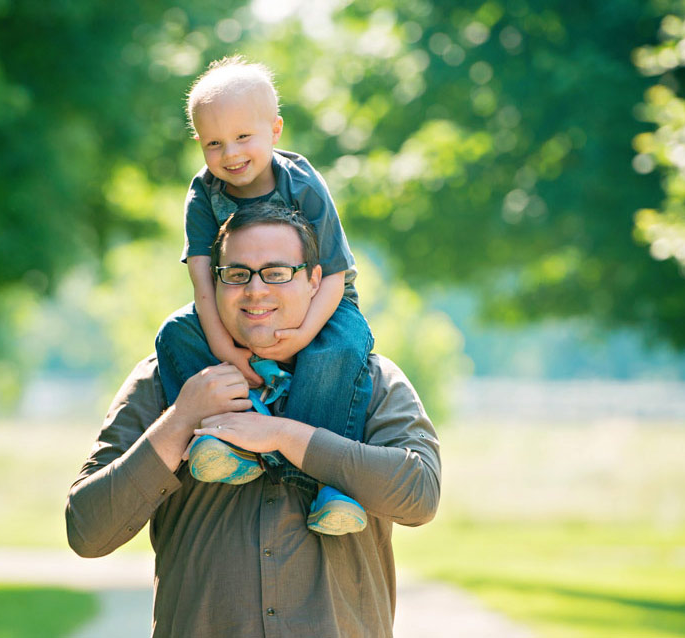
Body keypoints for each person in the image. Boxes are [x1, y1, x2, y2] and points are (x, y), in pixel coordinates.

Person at [66, 205, 441, 638]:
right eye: (237, 273)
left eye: (277, 272)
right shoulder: (165, 377)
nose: (256, 290)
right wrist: (182, 418)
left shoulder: (371, 379)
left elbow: (420, 495)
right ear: (214, 282)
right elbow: (87, 532)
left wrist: (284, 435)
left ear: (315, 279)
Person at [155, 55, 374, 532]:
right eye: (213, 143)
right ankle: (230, 439)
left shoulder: (302, 183)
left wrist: (299, 337)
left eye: (242, 137)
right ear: (199, 144)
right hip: (234, 304)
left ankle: (329, 479)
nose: (229, 153)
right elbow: (202, 281)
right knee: (175, 334)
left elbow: (335, 274)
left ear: (274, 131)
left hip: (321, 302)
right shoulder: (204, 194)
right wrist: (223, 348)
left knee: (342, 347)